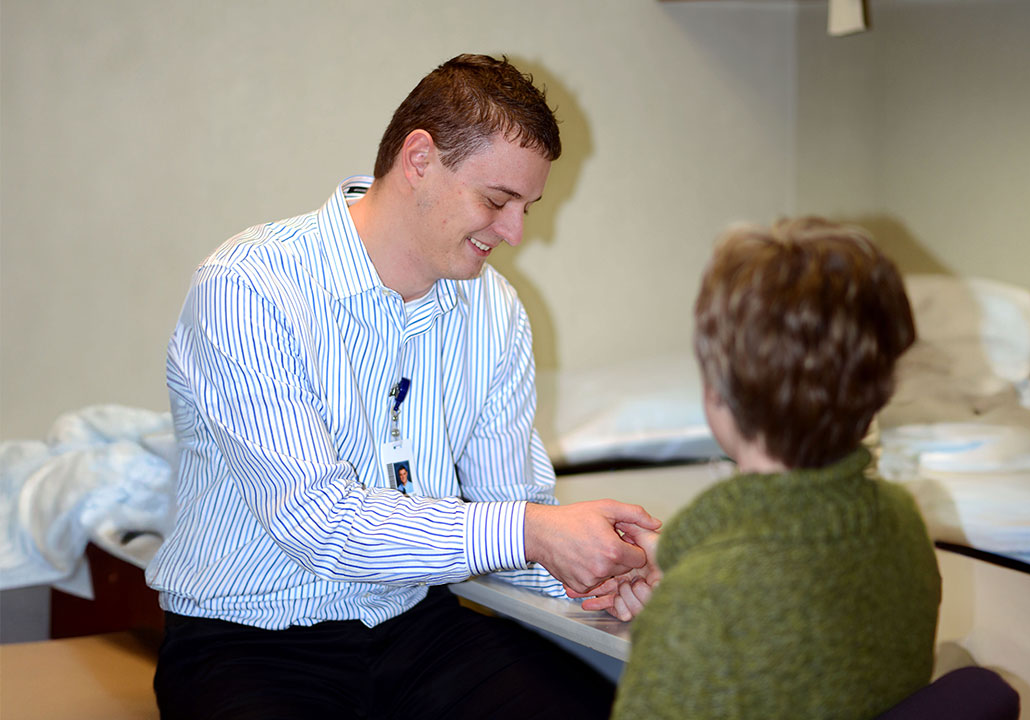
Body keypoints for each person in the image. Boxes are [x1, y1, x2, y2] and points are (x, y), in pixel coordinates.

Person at [147, 53, 659, 719]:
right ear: (419, 159)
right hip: (246, 642)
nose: (516, 233)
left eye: (527, 207)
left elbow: (508, 514)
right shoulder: (249, 286)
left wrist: (598, 566)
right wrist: (535, 532)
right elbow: (320, 524)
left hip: (416, 627)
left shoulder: (495, 311)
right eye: (498, 200)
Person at [599, 218, 942, 719]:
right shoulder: (902, 522)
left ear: (717, 389)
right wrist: (686, 571)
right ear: (878, 391)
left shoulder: (703, 607)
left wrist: (685, 618)